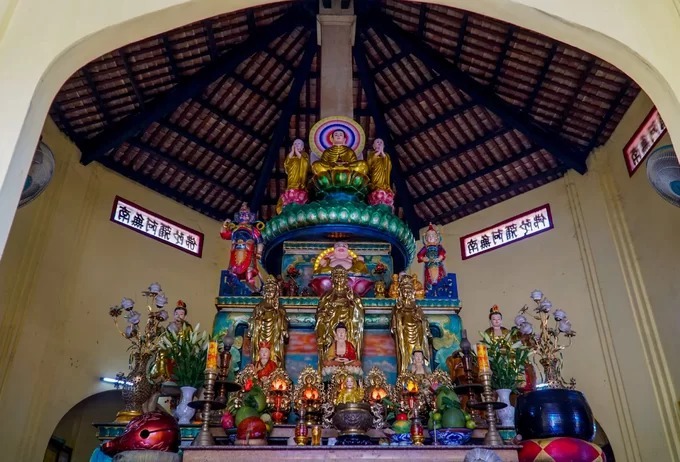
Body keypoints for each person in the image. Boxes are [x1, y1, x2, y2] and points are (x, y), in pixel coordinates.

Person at [315, 267, 365, 367]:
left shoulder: (352, 295)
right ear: (332, 279)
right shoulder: (327, 296)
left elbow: (359, 312)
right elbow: (320, 313)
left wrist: (352, 303)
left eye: (342, 276)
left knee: (352, 354)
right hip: (331, 325)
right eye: (336, 276)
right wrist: (327, 314)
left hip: (348, 323)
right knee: (329, 354)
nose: (339, 279)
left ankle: (350, 374)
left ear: (346, 279)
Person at [391, 274, 432, 375]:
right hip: (405, 337)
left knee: (419, 353)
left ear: (413, 292)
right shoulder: (398, 308)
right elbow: (395, 325)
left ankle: (422, 375)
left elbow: (425, 323)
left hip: (418, 335)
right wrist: (399, 313)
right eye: (404, 290)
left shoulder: (417, 308)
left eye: (409, 290)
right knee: (406, 355)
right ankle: (406, 374)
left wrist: (421, 319)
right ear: (400, 292)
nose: (407, 292)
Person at [219, 202, 263, 292]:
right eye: (241, 207)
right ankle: (233, 285)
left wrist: (259, 253)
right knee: (233, 273)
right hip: (236, 254)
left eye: (246, 208)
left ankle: (251, 284)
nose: (243, 210)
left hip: (248, 253)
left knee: (249, 272)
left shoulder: (253, 229)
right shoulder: (235, 229)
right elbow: (224, 235)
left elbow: (259, 241)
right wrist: (224, 225)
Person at [248, 276, 289, 368]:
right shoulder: (259, 307)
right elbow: (252, 319)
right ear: (264, 292)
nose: (270, 292)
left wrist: (283, 327)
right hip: (260, 332)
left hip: (275, 334)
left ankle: (275, 368)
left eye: (272, 290)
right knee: (260, 352)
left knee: (274, 351)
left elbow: (284, 320)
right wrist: (255, 323)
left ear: (276, 292)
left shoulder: (279, 308)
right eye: (267, 290)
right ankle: (258, 368)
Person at [417, 223, 447, 290]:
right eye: (429, 236)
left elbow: (443, 252)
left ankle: (440, 288)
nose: (431, 237)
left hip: (438, 265)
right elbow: (419, 255)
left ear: (436, 237)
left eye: (432, 236)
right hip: (429, 266)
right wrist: (423, 258)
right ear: (426, 238)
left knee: (440, 278)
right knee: (429, 279)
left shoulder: (438, 247)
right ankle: (429, 289)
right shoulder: (425, 248)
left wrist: (440, 257)